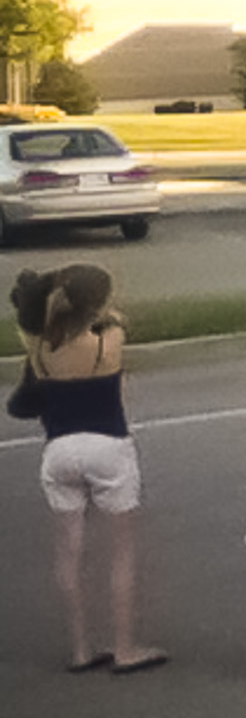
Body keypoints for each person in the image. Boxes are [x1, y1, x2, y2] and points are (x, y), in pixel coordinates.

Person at [12, 264, 167, 674]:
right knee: (121, 553)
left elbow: (34, 319)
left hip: (59, 449)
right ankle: (124, 647)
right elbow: (118, 320)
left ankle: (81, 648)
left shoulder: (39, 345)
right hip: (107, 445)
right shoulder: (107, 343)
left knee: (69, 553)